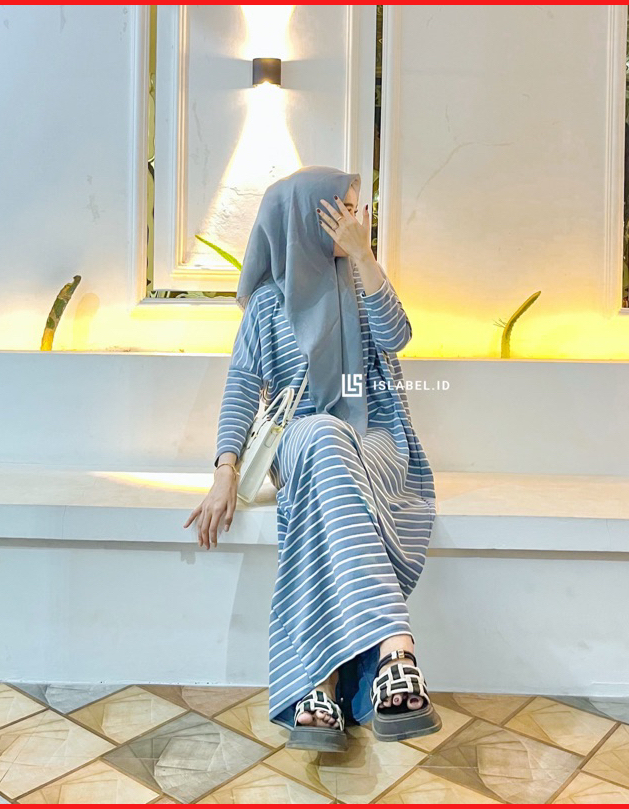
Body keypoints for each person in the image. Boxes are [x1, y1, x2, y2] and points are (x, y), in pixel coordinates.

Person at [184, 166, 439, 752]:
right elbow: (242, 388)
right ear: (307, 218)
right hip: (300, 440)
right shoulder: (267, 305)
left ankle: (318, 682)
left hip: (375, 438)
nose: (357, 219)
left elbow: (398, 336)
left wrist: (365, 256)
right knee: (323, 434)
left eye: (357, 208)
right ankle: (395, 653)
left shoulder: (362, 284)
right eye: (344, 208)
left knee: (330, 473)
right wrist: (224, 471)